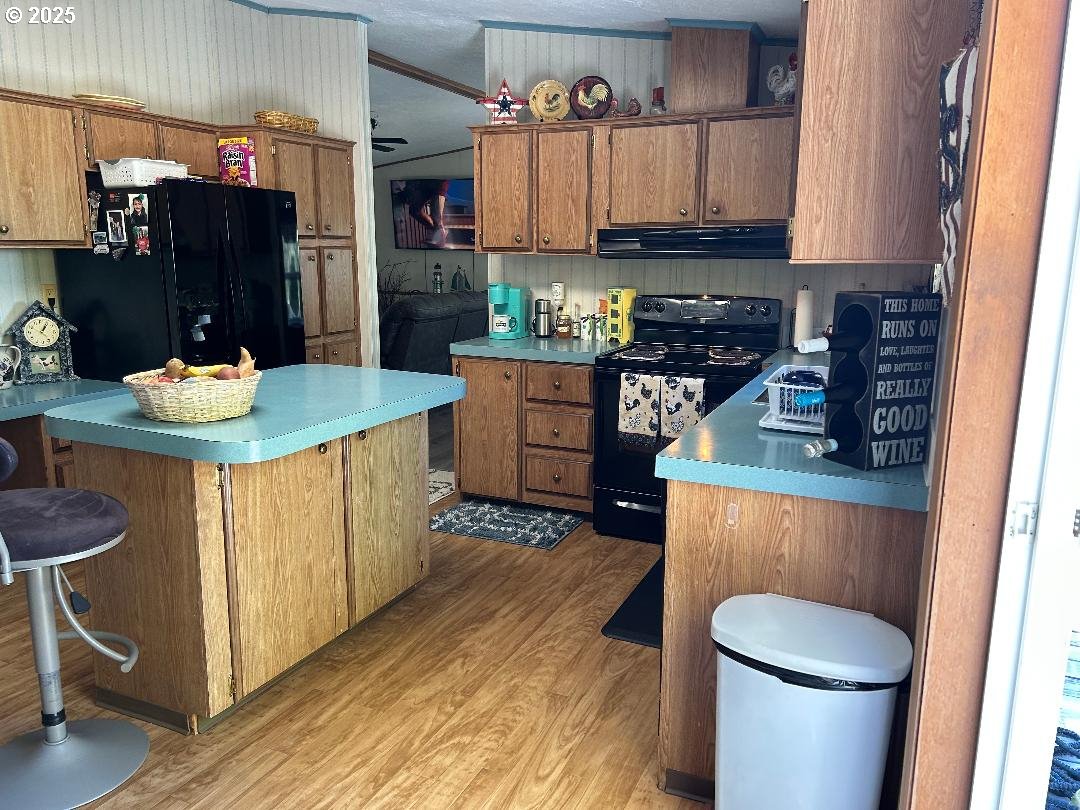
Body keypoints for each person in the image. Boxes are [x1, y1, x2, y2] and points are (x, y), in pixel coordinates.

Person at [395, 179, 449, 247]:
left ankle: (440, 236)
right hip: (422, 185)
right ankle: (436, 231)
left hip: (437, 183)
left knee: (436, 217)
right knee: (414, 210)